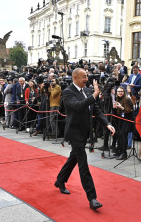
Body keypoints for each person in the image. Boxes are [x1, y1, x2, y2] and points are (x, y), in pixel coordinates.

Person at [55, 68, 115, 210]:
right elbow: (78, 106)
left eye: (87, 76)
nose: (86, 79)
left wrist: (107, 124)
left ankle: (60, 180)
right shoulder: (68, 92)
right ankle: (92, 198)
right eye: (83, 77)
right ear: (75, 78)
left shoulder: (88, 91)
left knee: (73, 158)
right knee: (83, 163)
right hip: (74, 132)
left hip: (85, 132)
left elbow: (96, 111)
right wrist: (94, 94)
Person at [113, 87, 134, 160]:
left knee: (124, 136)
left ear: (124, 92)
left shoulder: (127, 99)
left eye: (121, 91)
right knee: (120, 135)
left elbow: (129, 110)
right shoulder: (118, 99)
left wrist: (121, 108)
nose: (120, 93)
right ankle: (120, 151)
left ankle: (124, 153)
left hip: (127, 120)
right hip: (121, 119)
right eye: (118, 91)